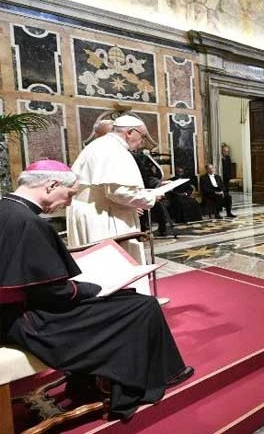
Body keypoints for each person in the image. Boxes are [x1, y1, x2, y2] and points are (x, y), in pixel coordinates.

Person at [0, 160, 193, 420]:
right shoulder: (28, 223)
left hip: (13, 313)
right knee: (140, 305)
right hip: (29, 321)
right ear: (52, 184)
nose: (68, 203)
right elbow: (52, 293)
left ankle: (91, 381)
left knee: (126, 301)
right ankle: (139, 381)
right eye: (69, 195)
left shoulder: (7, 208)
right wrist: (90, 288)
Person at [67, 115, 160, 295]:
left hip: (94, 209)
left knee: (96, 266)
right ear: (129, 132)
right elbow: (119, 192)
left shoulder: (99, 145)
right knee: (110, 268)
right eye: (142, 136)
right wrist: (152, 198)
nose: (142, 142)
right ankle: (123, 305)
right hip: (102, 215)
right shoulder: (114, 150)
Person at [219, 144, 236, 218]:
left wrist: (229, 177)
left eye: (227, 151)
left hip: (226, 179)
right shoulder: (219, 159)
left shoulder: (228, 158)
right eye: (224, 151)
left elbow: (229, 168)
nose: (226, 152)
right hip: (220, 178)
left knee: (227, 195)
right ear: (221, 151)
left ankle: (228, 212)